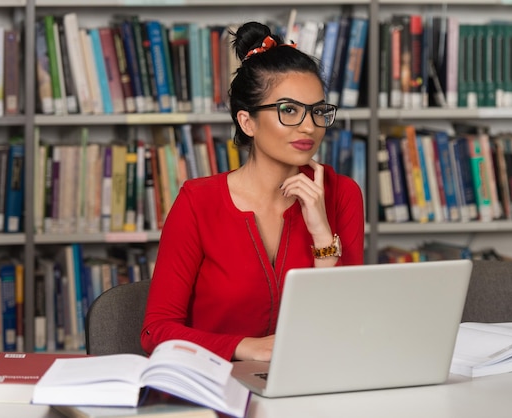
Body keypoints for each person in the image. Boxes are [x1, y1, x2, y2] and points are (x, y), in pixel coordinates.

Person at [141, 21, 365, 362]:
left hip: (310, 380)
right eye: (289, 110)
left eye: (318, 111)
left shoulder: (342, 193)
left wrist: (322, 237)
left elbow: (349, 325)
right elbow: (156, 331)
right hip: (216, 383)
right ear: (247, 122)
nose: (309, 126)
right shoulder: (197, 202)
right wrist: (246, 347)